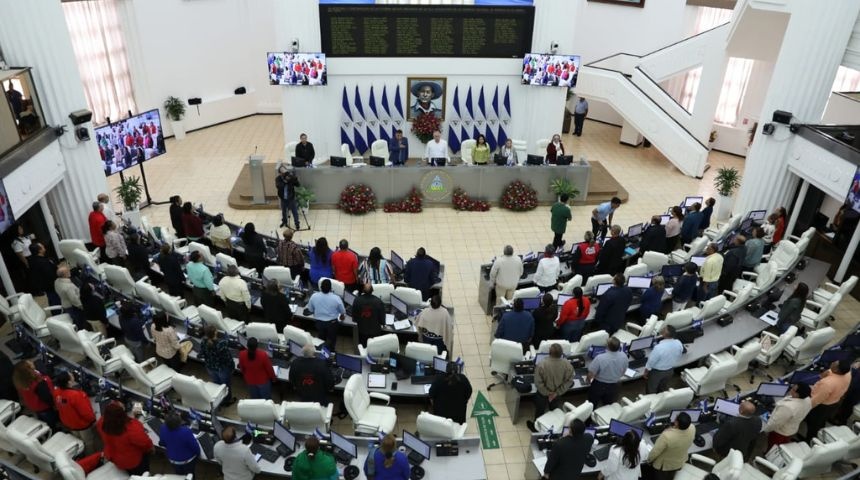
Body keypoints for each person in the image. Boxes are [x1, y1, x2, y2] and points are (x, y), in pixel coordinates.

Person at [97, 401, 153, 475]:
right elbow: (145, 443)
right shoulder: (131, 428)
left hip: (114, 457)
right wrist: (151, 449)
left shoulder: (101, 423)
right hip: (132, 462)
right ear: (122, 414)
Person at [527, 343, 573, 432]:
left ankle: (536, 427)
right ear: (561, 353)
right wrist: (556, 392)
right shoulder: (567, 365)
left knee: (540, 410)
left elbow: (538, 382)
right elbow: (569, 381)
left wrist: (548, 393)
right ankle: (554, 427)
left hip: (542, 394)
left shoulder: (541, 364)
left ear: (549, 352)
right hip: (557, 394)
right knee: (554, 409)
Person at [806, 358, 853, 440]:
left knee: (813, 424)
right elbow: (832, 372)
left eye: (834, 363)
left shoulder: (828, 384)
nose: (832, 362)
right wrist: (826, 374)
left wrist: (805, 408)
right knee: (821, 420)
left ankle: (809, 440)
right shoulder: (847, 373)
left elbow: (816, 400)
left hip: (822, 406)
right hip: (834, 403)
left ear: (837, 370)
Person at [52, 371, 98, 453]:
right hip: (82, 424)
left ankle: (81, 453)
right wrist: (93, 419)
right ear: (69, 381)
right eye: (71, 375)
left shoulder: (56, 392)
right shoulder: (76, 395)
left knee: (78, 439)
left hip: (69, 422)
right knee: (88, 442)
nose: (73, 375)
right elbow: (86, 413)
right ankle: (91, 457)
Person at [647, 411, 695, 480]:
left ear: (676, 423)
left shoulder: (667, 435)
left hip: (664, 466)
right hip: (679, 462)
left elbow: (655, 452)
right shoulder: (692, 428)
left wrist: (649, 460)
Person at [763, 383, 812, 449]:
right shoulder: (808, 400)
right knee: (782, 445)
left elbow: (775, 423)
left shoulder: (788, 407)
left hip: (779, 433)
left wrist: (765, 429)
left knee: (772, 448)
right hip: (791, 429)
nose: (790, 389)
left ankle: (767, 456)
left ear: (797, 394)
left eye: (793, 389)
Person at [13, 360, 57, 428]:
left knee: (42, 417)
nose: (31, 362)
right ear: (29, 370)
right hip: (44, 407)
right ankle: (53, 429)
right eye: (29, 364)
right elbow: (47, 398)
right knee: (50, 421)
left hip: (34, 405)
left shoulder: (20, 380)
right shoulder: (38, 384)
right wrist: (55, 405)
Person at [587, 337, 628, 407]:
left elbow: (591, 374)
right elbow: (623, 372)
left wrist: (588, 381)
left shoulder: (599, 358)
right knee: (608, 404)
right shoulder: (624, 356)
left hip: (598, 385)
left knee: (592, 404)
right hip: (614, 385)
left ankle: (590, 416)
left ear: (607, 346)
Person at [199, 325, 236, 404]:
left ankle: (219, 400)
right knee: (225, 386)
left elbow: (200, 354)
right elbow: (228, 358)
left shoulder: (203, 342)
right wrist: (232, 368)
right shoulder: (221, 344)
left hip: (210, 368)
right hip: (222, 369)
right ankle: (227, 401)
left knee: (217, 384)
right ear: (215, 333)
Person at [306, 279, 346, 351]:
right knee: (332, 340)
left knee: (321, 339)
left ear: (320, 287)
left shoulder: (314, 296)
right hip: (332, 324)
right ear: (331, 288)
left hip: (319, 323)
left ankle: (321, 352)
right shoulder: (336, 298)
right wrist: (342, 316)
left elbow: (311, 310)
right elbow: (343, 311)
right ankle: (331, 353)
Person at [644, 325, 683, 394]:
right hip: (670, 371)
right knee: (662, 388)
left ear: (664, 334)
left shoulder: (659, 348)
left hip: (657, 373)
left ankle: (651, 402)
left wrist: (646, 371)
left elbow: (651, 361)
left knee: (651, 389)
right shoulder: (679, 343)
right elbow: (679, 354)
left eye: (664, 328)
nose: (662, 328)